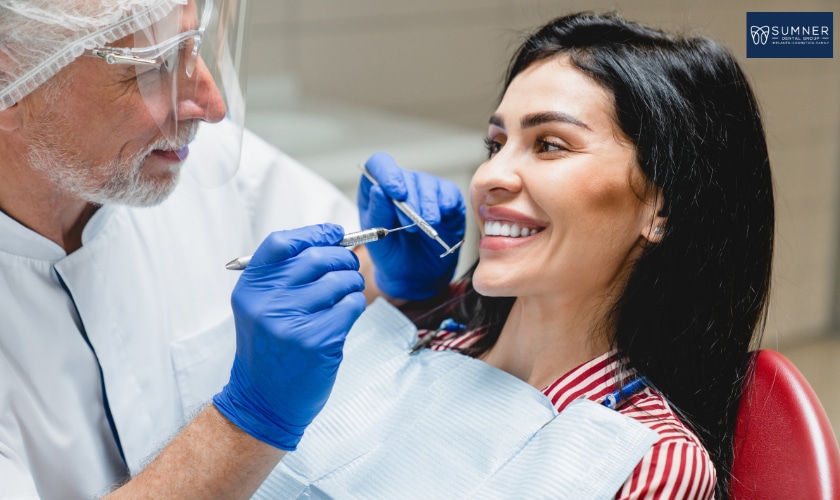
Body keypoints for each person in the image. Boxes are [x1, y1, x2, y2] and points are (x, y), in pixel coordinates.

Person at [249, 12, 775, 499]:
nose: (488, 177)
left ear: (662, 209)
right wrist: (391, 293)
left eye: (550, 144)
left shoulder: (648, 458)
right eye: (496, 144)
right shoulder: (431, 328)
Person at [0, 0, 464, 498]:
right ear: (13, 85)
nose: (212, 104)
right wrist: (249, 420)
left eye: (193, 47)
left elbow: (344, 272)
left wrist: (395, 283)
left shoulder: (182, 164)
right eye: (156, 67)